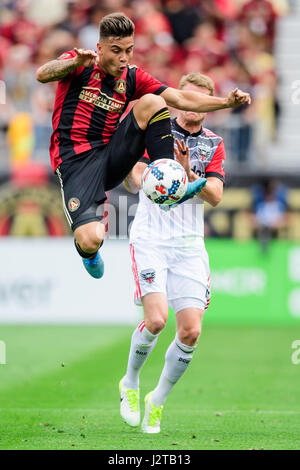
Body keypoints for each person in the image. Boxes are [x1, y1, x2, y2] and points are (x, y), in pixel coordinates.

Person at [36, 12, 250, 279]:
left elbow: (181, 98)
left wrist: (225, 102)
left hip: (112, 153)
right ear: (100, 48)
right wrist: (73, 63)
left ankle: (169, 177)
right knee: (91, 239)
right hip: (75, 162)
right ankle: (89, 255)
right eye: (116, 51)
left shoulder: (132, 77)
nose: (124, 58)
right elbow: (43, 74)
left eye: (129, 50)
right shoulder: (80, 62)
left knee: (154, 102)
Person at [120, 72, 225, 433]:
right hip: (151, 238)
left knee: (191, 331)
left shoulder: (214, 144)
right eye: (186, 98)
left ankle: (157, 400)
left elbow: (215, 194)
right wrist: (154, 177)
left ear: (207, 106)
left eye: (199, 101)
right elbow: (131, 172)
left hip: (188, 244)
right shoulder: (158, 128)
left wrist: (186, 177)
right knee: (156, 321)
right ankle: (130, 382)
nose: (190, 107)